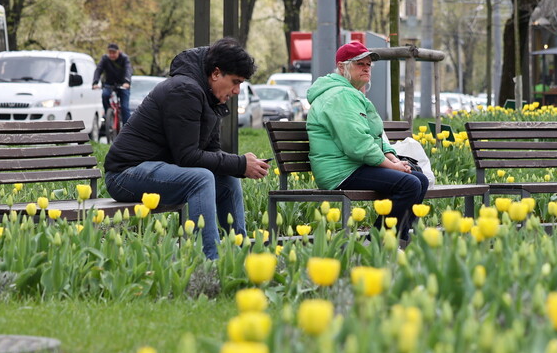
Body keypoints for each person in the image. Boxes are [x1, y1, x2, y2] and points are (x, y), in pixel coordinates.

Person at [103, 38, 269, 259]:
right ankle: (210, 259)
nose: (237, 91)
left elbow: (211, 152)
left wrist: (239, 165)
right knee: (201, 178)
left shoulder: (208, 95)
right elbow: (187, 157)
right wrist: (240, 163)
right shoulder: (184, 91)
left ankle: (239, 252)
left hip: (156, 170)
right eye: (235, 82)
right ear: (216, 73)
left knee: (228, 179)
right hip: (124, 175)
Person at [306, 41, 429, 239]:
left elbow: (375, 136)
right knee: (409, 184)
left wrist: (394, 158)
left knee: (419, 180)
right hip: (340, 172)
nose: (366, 68)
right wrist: (393, 167)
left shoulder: (351, 94)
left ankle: (397, 241)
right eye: (359, 64)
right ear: (341, 66)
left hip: (355, 166)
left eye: (368, 64)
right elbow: (357, 145)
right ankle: (379, 243)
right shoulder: (339, 96)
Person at [92, 43, 133, 125]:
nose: (112, 55)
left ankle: (127, 128)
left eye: (114, 53)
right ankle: (108, 115)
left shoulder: (124, 59)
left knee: (124, 107)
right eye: (110, 52)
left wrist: (127, 82)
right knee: (105, 95)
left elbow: (128, 70)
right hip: (109, 84)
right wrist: (95, 82)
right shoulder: (105, 59)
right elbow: (98, 70)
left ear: (118, 52)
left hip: (123, 84)